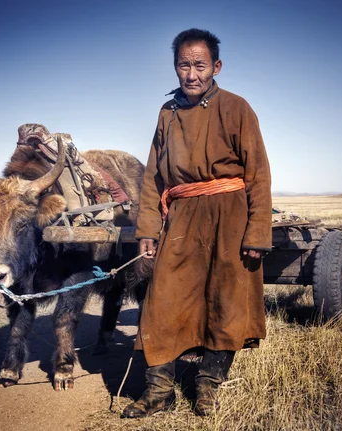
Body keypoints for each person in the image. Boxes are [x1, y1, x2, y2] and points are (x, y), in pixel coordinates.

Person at [122, 28, 272, 418]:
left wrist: (257, 232)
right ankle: (159, 392)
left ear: (216, 67)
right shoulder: (167, 114)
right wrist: (147, 231)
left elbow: (258, 173)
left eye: (199, 65)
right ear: (175, 68)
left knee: (226, 301)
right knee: (162, 300)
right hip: (183, 216)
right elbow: (154, 177)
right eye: (183, 65)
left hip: (230, 215)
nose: (191, 74)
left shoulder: (237, 108)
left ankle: (208, 386)